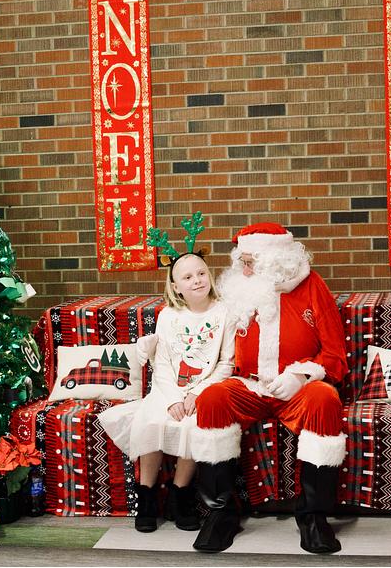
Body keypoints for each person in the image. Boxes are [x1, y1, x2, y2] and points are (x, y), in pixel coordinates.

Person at [190, 222, 349, 554]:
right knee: (212, 399)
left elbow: (335, 356)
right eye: (242, 261)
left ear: (276, 261)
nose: (244, 269)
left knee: (325, 399)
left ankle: (313, 516)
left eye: (251, 262)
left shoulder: (312, 286)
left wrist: (301, 376)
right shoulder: (238, 289)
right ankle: (221, 513)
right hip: (248, 385)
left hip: (298, 389)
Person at [97, 216, 234, 533]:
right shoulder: (169, 315)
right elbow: (161, 365)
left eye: (201, 273)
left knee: (194, 425)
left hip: (203, 389)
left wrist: (196, 394)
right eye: (188, 277)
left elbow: (226, 363)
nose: (197, 280)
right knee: (151, 421)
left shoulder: (224, 312)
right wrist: (172, 398)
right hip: (167, 388)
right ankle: (146, 496)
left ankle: (179, 494)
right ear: (176, 286)